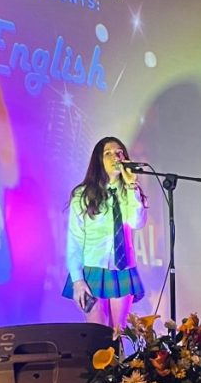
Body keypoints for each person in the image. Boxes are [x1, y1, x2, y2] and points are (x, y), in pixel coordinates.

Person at [63, 136, 148, 328]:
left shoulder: (130, 191)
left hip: (122, 268)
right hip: (93, 269)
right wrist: (77, 280)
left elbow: (137, 222)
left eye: (119, 152)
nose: (115, 157)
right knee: (97, 333)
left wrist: (132, 186)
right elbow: (75, 240)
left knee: (119, 332)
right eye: (108, 153)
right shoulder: (83, 195)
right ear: (98, 161)